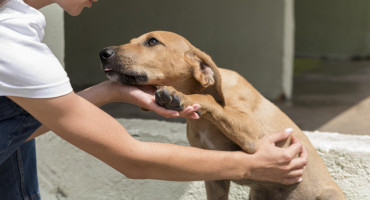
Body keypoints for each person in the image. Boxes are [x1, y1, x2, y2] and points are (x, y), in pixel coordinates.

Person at [0, 0, 307, 199]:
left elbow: (23, 127)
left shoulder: (13, 26)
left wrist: (113, 91)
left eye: (149, 43)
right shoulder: (14, 45)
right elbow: (131, 159)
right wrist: (250, 167)